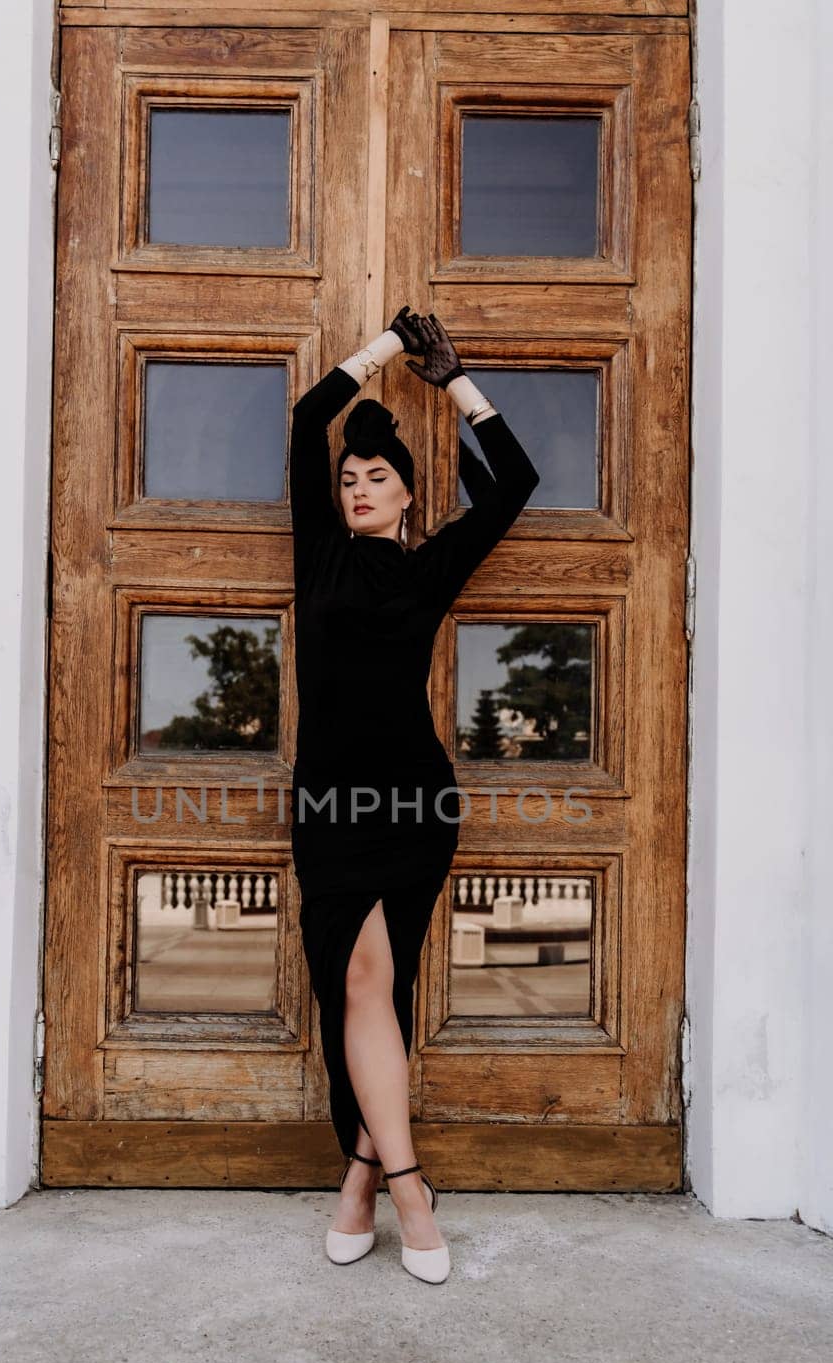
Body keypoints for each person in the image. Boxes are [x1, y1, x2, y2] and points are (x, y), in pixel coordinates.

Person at [289, 309, 539, 1283]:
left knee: (380, 989)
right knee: (352, 983)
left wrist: (457, 380)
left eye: (376, 480)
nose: (356, 488)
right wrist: (381, 351)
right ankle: (404, 1187)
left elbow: (513, 483)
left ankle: (360, 1180)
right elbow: (313, 416)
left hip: (414, 805)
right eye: (350, 481)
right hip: (330, 808)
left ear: (407, 499)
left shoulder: (431, 565)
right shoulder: (319, 552)